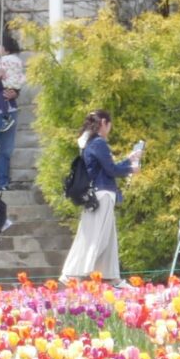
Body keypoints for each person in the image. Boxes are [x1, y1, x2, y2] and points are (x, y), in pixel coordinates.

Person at [61, 110, 143, 281]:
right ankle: (74, 273)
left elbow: (107, 168)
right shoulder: (99, 143)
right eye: (109, 125)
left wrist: (128, 160)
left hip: (98, 194)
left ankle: (110, 277)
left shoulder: (90, 142)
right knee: (98, 237)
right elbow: (111, 170)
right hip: (102, 194)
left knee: (103, 237)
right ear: (104, 123)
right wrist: (131, 169)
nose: (110, 128)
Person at [0, 36, 26, 188]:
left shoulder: (3, 60)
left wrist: (15, 93)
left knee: (6, 148)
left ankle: (2, 181)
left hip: (10, 107)